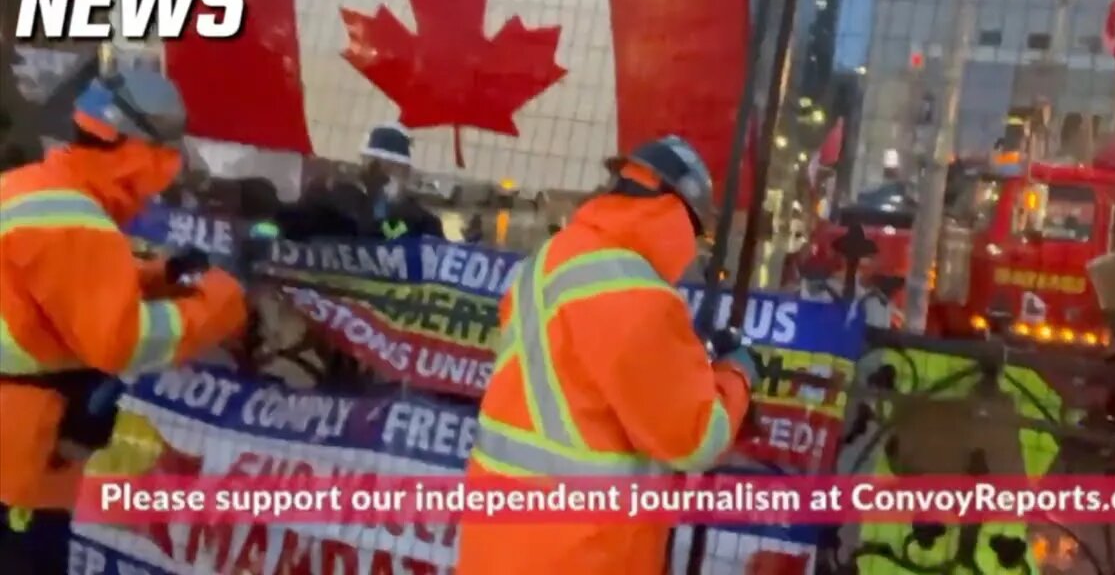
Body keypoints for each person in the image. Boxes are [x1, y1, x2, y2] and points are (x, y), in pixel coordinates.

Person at [455, 135, 760, 575]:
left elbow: (573, 380)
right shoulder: (639, 294)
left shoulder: (552, 258)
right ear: (679, 216)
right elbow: (696, 438)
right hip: (580, 551)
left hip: (498, 542)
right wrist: (737, 373)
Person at [0, 63, 248, 574]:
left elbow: (51, 292)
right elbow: (121, 341)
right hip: (19, 468)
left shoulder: (28, 190)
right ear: (140, 152)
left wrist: (158, 276)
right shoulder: (75, 220)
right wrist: (217, 302)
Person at [277, 122, 444, 242]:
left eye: (395, 168)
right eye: (377, 164)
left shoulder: (419, 219)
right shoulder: (335, 201)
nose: (386, 173)